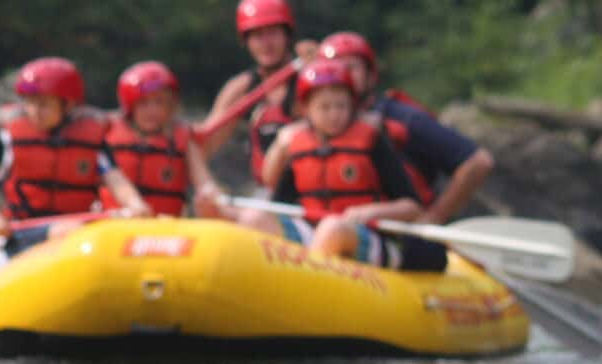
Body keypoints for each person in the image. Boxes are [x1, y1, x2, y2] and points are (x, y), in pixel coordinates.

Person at [243, 59, 445, 272]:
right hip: (316, 236)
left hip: (365, 236)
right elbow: (276, 198)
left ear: (352, 106)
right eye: (324, 107)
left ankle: (310, 285)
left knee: (332, 228)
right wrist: (279, 146)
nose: (334, 115)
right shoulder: (300, 146)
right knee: (255, 218)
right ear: (306, 109)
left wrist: (370, 212)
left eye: (341, 106)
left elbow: (412, 207)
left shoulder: (371, 141)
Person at [0, 57, 149, 255]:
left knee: (79, 231)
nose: (35, 111)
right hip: (24, 230)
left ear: (68, 105)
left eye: (44, 104)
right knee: (68, 231)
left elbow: (115, 178)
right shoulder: (11, 137)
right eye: (30, 103)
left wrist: (135, 204)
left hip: (74, 228)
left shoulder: (91, 139)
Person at [317, 31, 496, 224]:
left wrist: (434, 216)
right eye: (333, 68)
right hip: (334, 228)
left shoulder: (404, 119)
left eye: (351, 67)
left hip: (399, 231)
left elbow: (478, 162)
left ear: (370, 75)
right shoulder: (311, 127)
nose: (341, 74)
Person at [107, 61, 224, 219]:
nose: (152, 111)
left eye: (160, 102)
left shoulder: (184, 139)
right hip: (114, 223)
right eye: (143, 103)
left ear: (170, 105)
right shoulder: (107, 133)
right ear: (130, 105)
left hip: (166, 226)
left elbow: (203, 181)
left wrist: (210, 194)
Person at [205, 0, 303, 183]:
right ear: (246, 41)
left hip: (309, 187)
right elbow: (206, 143)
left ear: (287, 35)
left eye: (273, 33)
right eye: (258, 36)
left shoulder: (308, 78)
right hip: (264, 191)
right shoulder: (240, 88)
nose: (266, 43)